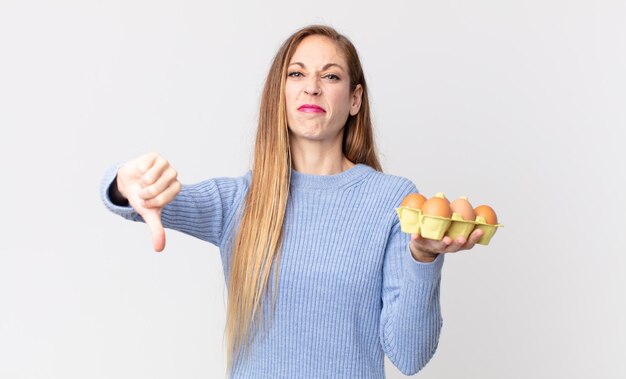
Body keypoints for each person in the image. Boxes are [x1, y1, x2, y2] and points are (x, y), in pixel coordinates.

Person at [100, 25, 483, 379]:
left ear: (354, 99)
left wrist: (423, 257)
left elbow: (410, 355)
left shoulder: (392, 200)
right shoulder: (241, 200)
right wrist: (125, 181)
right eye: (296, 74)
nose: (311, 88)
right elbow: (134, 199)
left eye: (330, 76)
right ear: (279, 94)